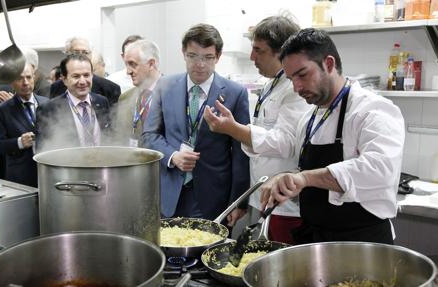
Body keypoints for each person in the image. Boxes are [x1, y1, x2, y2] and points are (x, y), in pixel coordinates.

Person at [211, 28, 405, 244]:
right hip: (316, 239)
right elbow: (306, 171)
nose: (297, 87)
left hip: (362, 242)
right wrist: (286, 180)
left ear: (329, 64)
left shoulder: (372, 110)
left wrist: (304, 178)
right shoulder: (310, 118)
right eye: (292, 78)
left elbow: (380, 171)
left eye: (302, 75)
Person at [203, 15, 309, 244]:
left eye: (258, 50)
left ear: (281, 52)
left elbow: (286, 142)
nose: (252, 57)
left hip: (284, 205)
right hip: (263, 196)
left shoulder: (294, 89)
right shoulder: (272, 83)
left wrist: (234, 130)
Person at [142, 24, 250, 223]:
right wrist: (172, 156)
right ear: (183, 53)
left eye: (207, 57)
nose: (200, 64)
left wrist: (238, 202)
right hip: (170, 191)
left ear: (218, 56)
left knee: (208, 252)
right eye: (193, 56)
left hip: (213, 196)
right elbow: (149, 135)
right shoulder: (165, 86)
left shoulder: (236, 93)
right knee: (169, 250)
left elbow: (241, 152)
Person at [37, 54, 111, 152]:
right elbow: (44, 149)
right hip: (68, 166)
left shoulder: (102, 102)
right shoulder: (49, 109)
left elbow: (109, 136)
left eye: (86, 75)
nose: (82, 81)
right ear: (64, 80)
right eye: (76, 76)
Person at [0, 64, 49, 187]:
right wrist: (19, 142)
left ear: (34, 78)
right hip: (21, 175)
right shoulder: (3, 110)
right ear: (12, 82)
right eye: (20, 79)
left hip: (46, 172)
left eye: (29, 77)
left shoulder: (47, 103)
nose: (25, 82)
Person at [115, 39, 162, 147]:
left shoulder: (173, 94)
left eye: (133, 64)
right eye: (126, 65)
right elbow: (119, 139)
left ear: (151, 64)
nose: (128, 71)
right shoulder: (125, 98)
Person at [49, 37, 121, 105]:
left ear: (91, 55)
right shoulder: (56, 88)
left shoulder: (110, 89)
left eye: (85, 52)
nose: (81, 56)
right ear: (67, 54)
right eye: (76, 53)